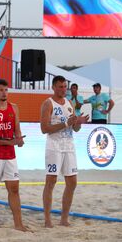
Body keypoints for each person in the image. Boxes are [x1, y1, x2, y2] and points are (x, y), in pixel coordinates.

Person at [41, 75, 89, 228]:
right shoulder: (48, 103)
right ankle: (47, 219)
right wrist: (65, 123)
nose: (63, 89)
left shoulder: (69, 103)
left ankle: (64, 218)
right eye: (60, 86)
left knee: (72, 182)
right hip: (54, 146)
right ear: (53, 87)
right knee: (51, 181)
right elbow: (44, 129)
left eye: (64, 86)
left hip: (69, 146)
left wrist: (78, 122)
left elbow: (74, 128)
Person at [0, 79, 27, 231]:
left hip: (9, 154)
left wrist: (19, 140)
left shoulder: (14, 108)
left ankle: (18, 224)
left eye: (6, 90)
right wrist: (9, 142)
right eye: (1, 90)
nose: (4, 93)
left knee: (14, 189)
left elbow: (17, 129)